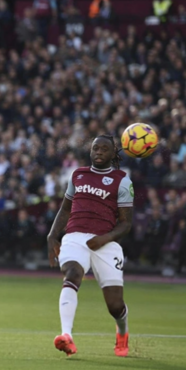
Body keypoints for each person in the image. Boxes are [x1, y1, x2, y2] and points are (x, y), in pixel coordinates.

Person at [47, 135, 133, 358]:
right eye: (96, 148)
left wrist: (105, 238)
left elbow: (126, 223)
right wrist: (52, 235)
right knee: (73, 273)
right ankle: (67, 336)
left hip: (106, 242)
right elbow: (65, 209)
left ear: (114, 153)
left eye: (105, 149)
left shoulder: (122, 180)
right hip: (75, 237)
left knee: (114, 306)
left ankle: (122, 332)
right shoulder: (78, 175)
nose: (99, 152)